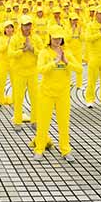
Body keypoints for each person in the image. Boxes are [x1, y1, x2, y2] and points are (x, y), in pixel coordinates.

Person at [32, 26, 81, 162]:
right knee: (43, 122)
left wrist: (66, 62)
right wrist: (54, 63)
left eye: (59, 38)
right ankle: (39, 149)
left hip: (63, 93)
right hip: (46, 93)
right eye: (55, 38)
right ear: (50, 38)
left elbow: (79, 69)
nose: (57, 40)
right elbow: (40, 69)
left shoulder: (67, 53)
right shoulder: (44, 52)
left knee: (64, 123)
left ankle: (65, 150)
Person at [8, 15, 43, 131]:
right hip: (19, 72)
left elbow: (43, 54)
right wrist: (22, 50)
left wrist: (32, 49)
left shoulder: (36, 38)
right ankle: (18, 121)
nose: (27, 27)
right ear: (21, 26)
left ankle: (35, 120)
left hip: (33, 71)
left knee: (35, 97)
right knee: (18, 98)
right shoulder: (15, 38)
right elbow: (10, 53)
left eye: (29, 25)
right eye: (25, 25)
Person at [0, 20, 14, 108]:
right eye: (7, 27)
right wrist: (7, 43)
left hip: (13, 63)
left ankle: (15, 99)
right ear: (4, 29)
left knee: (15, 82)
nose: (9, 29)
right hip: (3, 63)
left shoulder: (16, 38)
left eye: (11, 27)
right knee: (1, 82)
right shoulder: (1, 39)